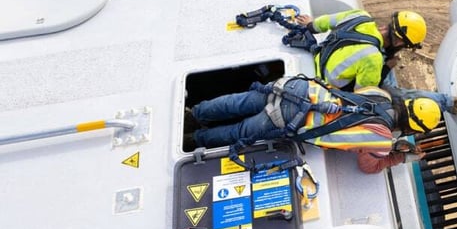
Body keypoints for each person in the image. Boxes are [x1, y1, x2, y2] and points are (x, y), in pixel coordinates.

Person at [187, 76, 442, 173]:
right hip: (292, 119)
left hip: (298, 89)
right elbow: (367, 166)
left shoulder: (382, 94)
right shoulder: (382, 139)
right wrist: (399, 158)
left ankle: (194, 113)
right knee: (239, 132)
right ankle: (195, 140)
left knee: (238, 102)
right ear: (410, 128)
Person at [295, 7, 457, 114]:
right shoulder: (373, 59)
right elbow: (364, 95)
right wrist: (385, 68)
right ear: (398, 41)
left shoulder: (359, 16)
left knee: (389, 77)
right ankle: (450, 103)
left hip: (321, 58)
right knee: (396, 94)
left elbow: (322, 23)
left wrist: (310, 24)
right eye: (404, 46)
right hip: (331, 85)